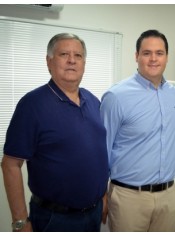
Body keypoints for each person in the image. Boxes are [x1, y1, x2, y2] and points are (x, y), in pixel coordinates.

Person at [1, 33, 109, 232]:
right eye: (64, 54)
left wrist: (103, 194)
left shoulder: (93, 101)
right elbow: (10, 165)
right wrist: (20, 221)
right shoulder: (32, 105)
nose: (71, 60)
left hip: (94, 213)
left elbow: (98, 153)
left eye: (78, 56)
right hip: (54, 218)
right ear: (49, 61)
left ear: (84, 63)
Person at [100, 29, 175, 232]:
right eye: (147, 53)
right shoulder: (116, 96)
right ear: (136, 56)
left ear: (167, 57)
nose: (154, 59)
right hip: (129, 199)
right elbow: (101, 150)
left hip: (168, 196)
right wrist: (100, 194)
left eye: (159, 53)